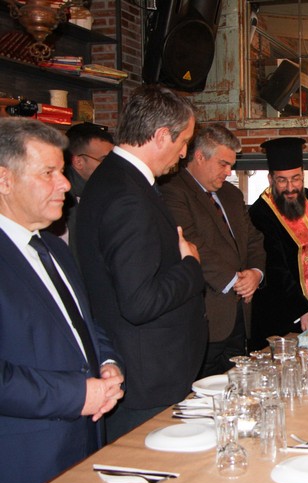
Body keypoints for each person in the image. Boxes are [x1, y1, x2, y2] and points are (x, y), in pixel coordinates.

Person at [0, 118, 124, 483]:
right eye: (49, 173)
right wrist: (77, 394)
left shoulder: (53, 246)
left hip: (80, 444)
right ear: (4, 180)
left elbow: (84, 324)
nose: (66, 183)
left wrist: (107, 361)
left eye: (63, 171)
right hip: (22, 462)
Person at [76, 85, 207, 442]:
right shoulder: (127, 195)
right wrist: (190, 267)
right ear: (162, 135)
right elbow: (139, 302)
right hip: (146, 379)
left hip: (149, 371)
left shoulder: (118, 179)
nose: (184, 153)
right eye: (184, 142)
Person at [161, 124, 266, 376]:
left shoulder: (231, 193)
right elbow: (190, 242)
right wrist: (234, 281)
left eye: (231, 164)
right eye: (223, 164)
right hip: (205, 318)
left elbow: (254, 238)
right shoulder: (172, 190)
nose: (229, 171)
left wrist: (255, 273)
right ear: (199, 156)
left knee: (237, 390)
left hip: (240, 315)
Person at [248, 137, 308, 350]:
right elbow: (275, 269)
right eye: (282, 180)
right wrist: (301, 309)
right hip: (282, 313)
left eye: (296, 179)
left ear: (303, 175)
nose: (290, 187)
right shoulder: (260, 213)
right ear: (270, 179)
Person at [47, 122, 114, 251]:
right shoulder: (61, 200)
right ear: (78, 162)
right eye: (104, 160)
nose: (112, 167)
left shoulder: (102, 191)